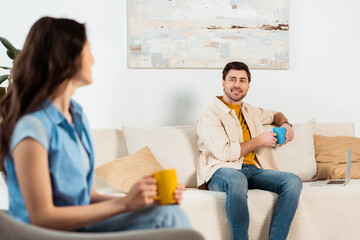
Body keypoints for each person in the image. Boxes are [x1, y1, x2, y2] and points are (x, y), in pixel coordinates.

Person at [0, 16, 191, 232]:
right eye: (88, 50)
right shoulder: (33, 127)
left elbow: (88, 199)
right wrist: (125, 204)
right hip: (44, 234)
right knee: (167, 218)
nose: (93, 59)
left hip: (78, 228)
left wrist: (141, 201)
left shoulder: (77, 117)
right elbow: (42, 217)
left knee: (166, 211)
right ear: (66, 57)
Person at [196, 61, 302, 240]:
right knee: (237, 179)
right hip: (221, 171)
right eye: (232, 79)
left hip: (251, 170)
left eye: (242, 80)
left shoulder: (249, 110)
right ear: (223, 83)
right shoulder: (209, 115)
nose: (237, 84)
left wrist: (285, 123)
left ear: (248, 85)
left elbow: (275, 114)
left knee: (292, 182)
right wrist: (260, 140)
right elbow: (225, 153)